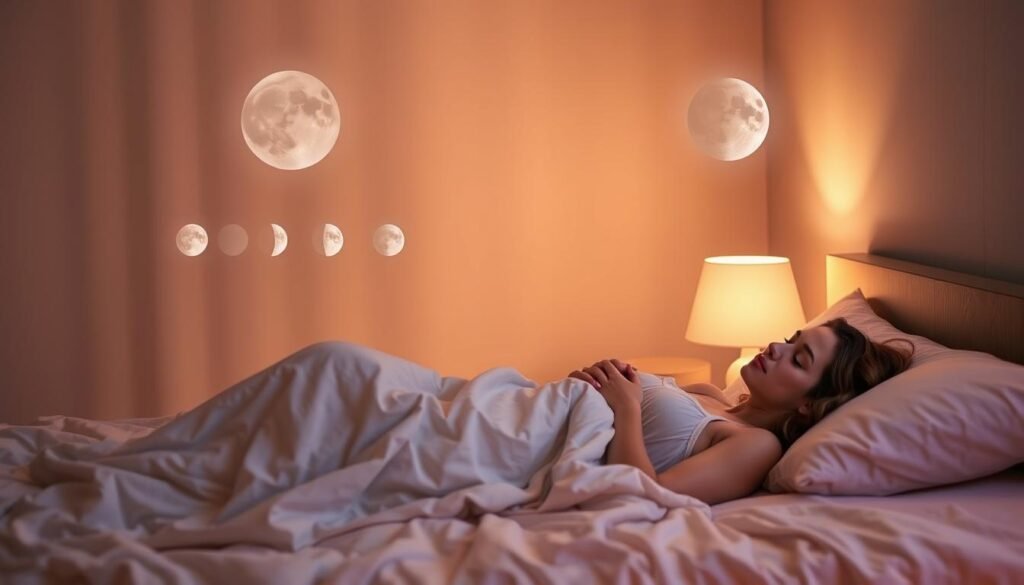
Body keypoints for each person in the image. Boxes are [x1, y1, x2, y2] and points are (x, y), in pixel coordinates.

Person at [567, 317, 915, 505]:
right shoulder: (709, 393)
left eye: (798, 358)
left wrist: (625, 405)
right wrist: (589, 388)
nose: (778, 346)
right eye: (792, 338)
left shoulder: (756, 444)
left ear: (809, 403)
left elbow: (647, 496)